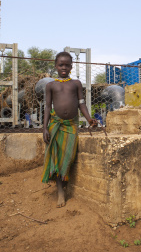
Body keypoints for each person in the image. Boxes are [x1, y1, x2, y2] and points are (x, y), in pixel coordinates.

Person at [41, 51, 97, 207]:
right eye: (61, 65)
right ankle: (60, 192)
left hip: (71, 126)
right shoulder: (50, 85)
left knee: (68, 157)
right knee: (56, 158)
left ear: (71, 66)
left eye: (67, 65)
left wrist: (89, 119)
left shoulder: (76, 84)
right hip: (55, 125)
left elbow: (81, 104)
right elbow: (47, 107)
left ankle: (64, 185)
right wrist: (44, 128)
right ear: (56, 66)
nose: (64, 67)